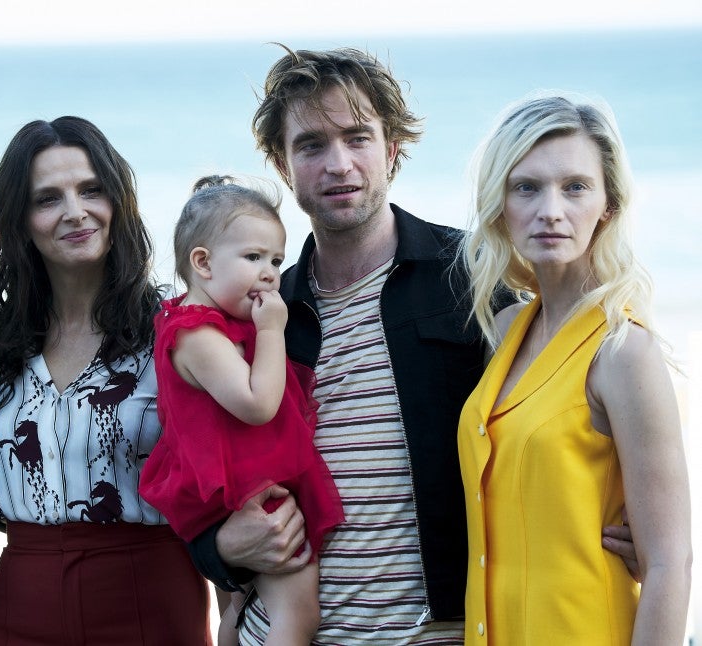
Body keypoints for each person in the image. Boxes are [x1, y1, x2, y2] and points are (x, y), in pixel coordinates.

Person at [187, 46, 640, 645]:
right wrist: (219, 549)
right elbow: (199, 460)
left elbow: (570, 414)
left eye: (358, 138)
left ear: (393, 148)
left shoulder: (477, 279)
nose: (339, 164)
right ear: (282, 163)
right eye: (311, 145)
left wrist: (630, 520)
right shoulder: (258, 315)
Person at [458, 94, 691, 644]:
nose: (551, 210)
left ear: (608, 205)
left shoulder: (623, 351)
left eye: (576, 187)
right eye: (526, 187)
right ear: (500, 204)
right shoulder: (507, 329)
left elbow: (669, 564)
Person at [0, 116, 212, 645]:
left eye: (91, 190)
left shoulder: (175, 331)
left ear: (117, 201)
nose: (75, 212)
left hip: (149, 594)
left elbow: (223, 470)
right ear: (21, 221)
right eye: (47, 199)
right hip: (22, 599)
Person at [138, 175, 345, 645]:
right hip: (245, 489)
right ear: (203, 263)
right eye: (253, 257)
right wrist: (272, 331)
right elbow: (257, 404)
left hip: (237, 489)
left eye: (276, 260)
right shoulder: (198, 334)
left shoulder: (210, 326)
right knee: (298, 611)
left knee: (238, 606)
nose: (270, 273)